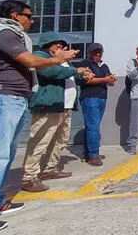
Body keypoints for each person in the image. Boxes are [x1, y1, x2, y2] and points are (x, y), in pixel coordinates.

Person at [0, 0, 77, 235]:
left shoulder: (12, 34)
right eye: (28, 16)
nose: (32, 20)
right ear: (14, 15)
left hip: (13, 99)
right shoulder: (3, 32)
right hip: (2, 98)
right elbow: (30, 61)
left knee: (6, 155)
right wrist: (57, 59)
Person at [21, 32, 94, 192]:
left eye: (62, 45)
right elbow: (52, 72)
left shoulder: (64, 63)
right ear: (47, 45)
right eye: (56, 45)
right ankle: (29, 177)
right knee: (40, 141)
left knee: (60, 141)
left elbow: (73, 78)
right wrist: (75, 70)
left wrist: (84, 75)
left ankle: (50, 169)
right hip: (48, 105)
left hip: (64, 107)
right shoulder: (41, 57)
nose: (60, 48)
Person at [77, 43, 117, 166]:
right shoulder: (85, 64)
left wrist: (111, 80)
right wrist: (105, 80)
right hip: (90, 98)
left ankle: (88, 153)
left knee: (92, 127)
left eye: (100, 52)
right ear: (89, 52)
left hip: (101, 98)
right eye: (95, 52)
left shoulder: (104, 66)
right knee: (93, 127)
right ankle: (93, 155)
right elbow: (87, 80)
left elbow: (109, 83)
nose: (98, 54)